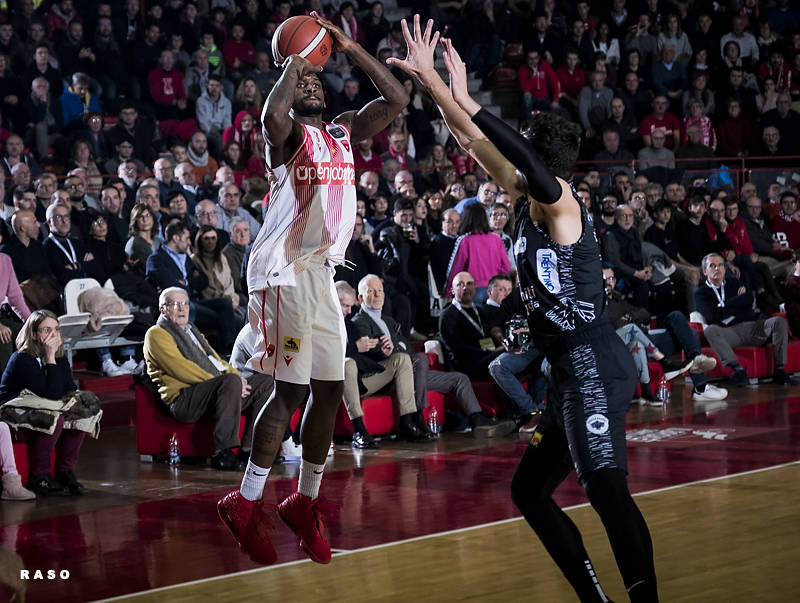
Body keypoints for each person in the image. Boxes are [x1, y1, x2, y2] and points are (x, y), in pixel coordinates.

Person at [387, 17, 658, 600]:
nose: (510, 170)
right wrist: (437, 85)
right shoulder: (521, 190)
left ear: (539, 161)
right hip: (564, 370)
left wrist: (467, 99)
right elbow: (471, 140)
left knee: (607, 492)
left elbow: (522, 162)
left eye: (524, 160)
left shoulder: (564, 206)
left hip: (593, 362)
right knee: (529, 492)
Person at [217, 11, 409, 567]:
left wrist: (349, 47)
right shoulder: (287, 137)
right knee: (291, 392)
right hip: (282, 271)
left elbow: (396, 100)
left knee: (327, 391)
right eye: (302, 76)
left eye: (315, 75)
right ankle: (246, 500)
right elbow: (273, 112)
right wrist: (296, 56)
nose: (311, 80)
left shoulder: (342, 130)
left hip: (323, 274)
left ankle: (304, 500)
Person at [144, 287, 274, 470]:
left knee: (268, 382)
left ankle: (250, 449)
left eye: (185, 304)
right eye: (174, 304)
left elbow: (216, 361)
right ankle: (223, 451)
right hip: (184, 399)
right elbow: (182, 369)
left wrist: (238, 378)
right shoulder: (156, 334)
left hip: (212, 393)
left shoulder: (192, 331)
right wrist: (230, 381)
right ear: (162, 310)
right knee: (230, 381)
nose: (181, 309)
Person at [0, 310, 91, 496]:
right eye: (46, 330)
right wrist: (50, 358)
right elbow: (49, 395)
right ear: (33, 334)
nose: (53, 335)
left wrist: (53, 358)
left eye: (56, 330)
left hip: (40, 407)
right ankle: (39, 476)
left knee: (83, 409)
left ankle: (64, 471)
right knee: (52, 417)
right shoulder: (22, 358)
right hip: (12, 411)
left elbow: (67, 389)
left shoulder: (59, 357)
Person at [335, 281, 421, 448]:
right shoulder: (322, 322)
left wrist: (381, 351)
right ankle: (359, 430)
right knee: (347, 363)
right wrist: (355, 347)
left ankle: (407, 423)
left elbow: (363, 357)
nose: (349, 311)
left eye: (351, 306)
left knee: (402, 358)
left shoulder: (348, 323)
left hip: (360, 380)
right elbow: (324, 354)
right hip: (332, 381)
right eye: (345, 306)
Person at [696, 253, 795, 387]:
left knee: (778, 321)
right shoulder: (701, 293)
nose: (717, 269)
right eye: (712, 266)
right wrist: (736, 302)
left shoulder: (733, 282)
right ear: (705, 271)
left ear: (725, 269)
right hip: (729, 333)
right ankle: (738, 371)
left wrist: (724, 305)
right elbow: (714, 316)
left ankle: (779, 369)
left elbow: (748, 300)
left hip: (751, 327)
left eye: (720, 265)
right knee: (711, 330)